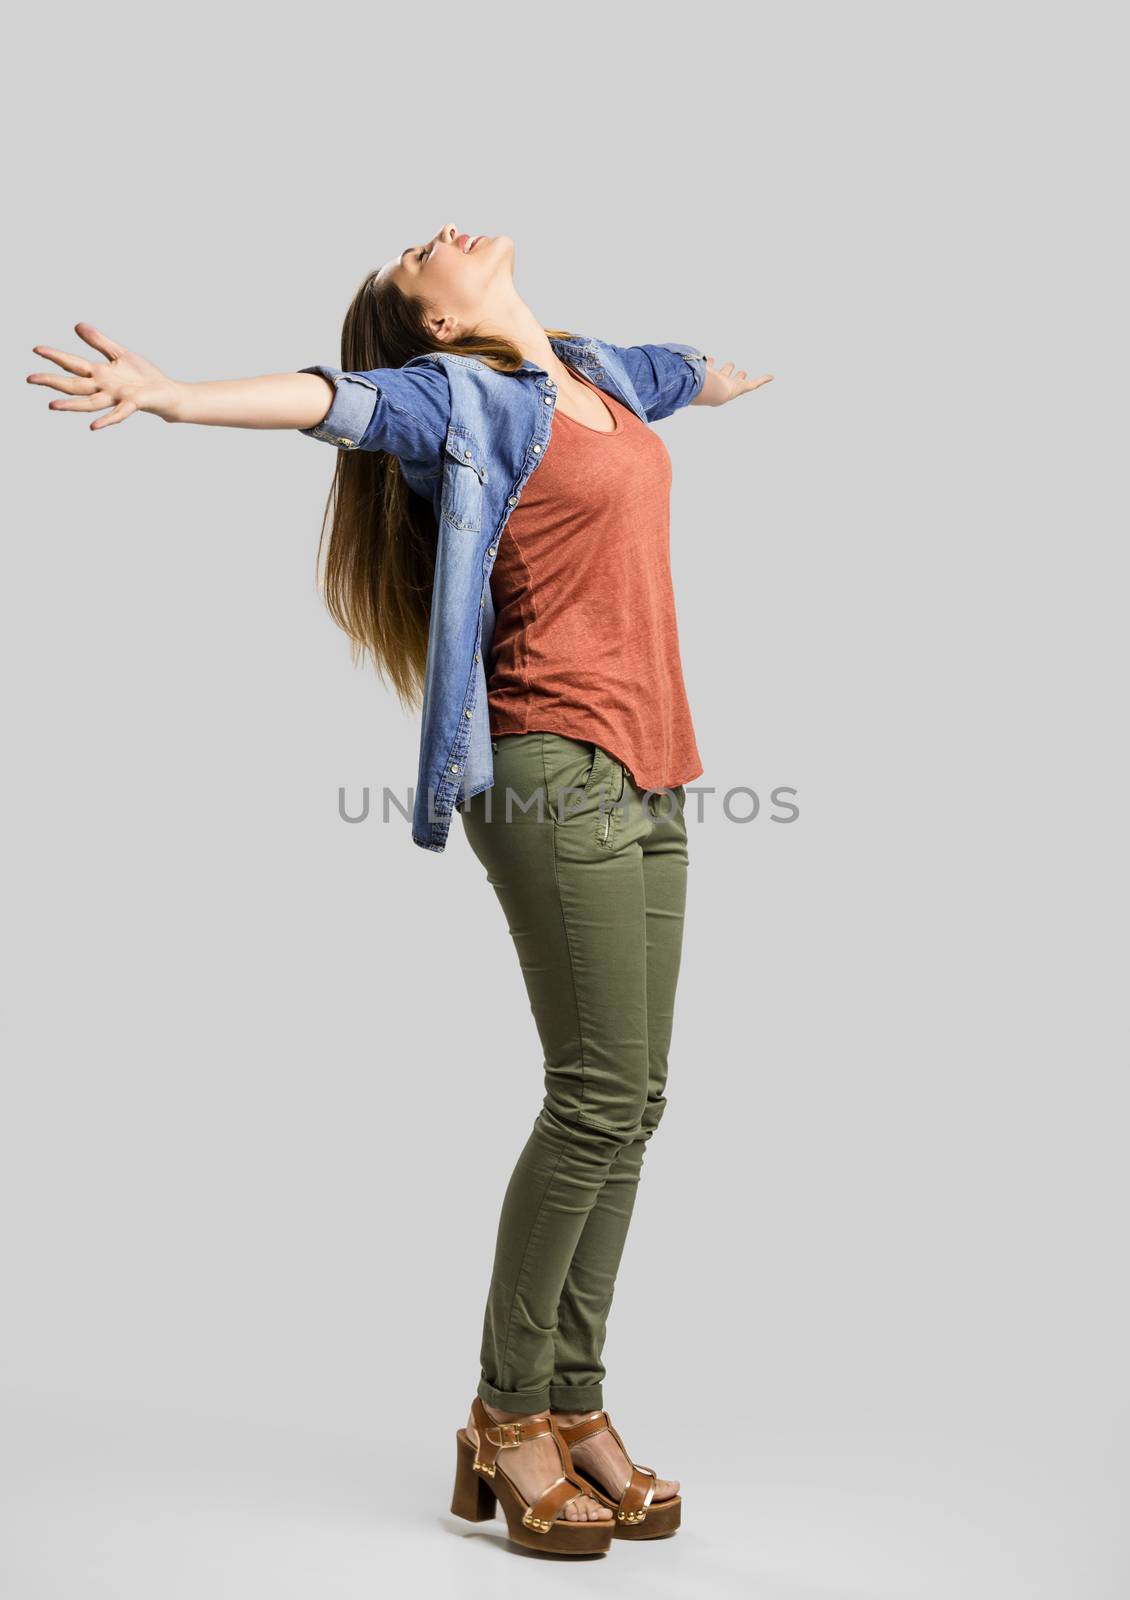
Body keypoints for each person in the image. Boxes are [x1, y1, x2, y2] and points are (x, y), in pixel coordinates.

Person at [27, 223, 773, 1555]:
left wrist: (761, 364)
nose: (427, 239)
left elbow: (699, 371)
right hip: (549, 762)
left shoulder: (601, 371)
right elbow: (331, 400)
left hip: (655, 767)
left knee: (636, 1104)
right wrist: (175, 395)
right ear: (431, 322)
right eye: (406, 264)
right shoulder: (453, 397)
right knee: (594, 1097)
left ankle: (578, 1402)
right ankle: (505, 1416)